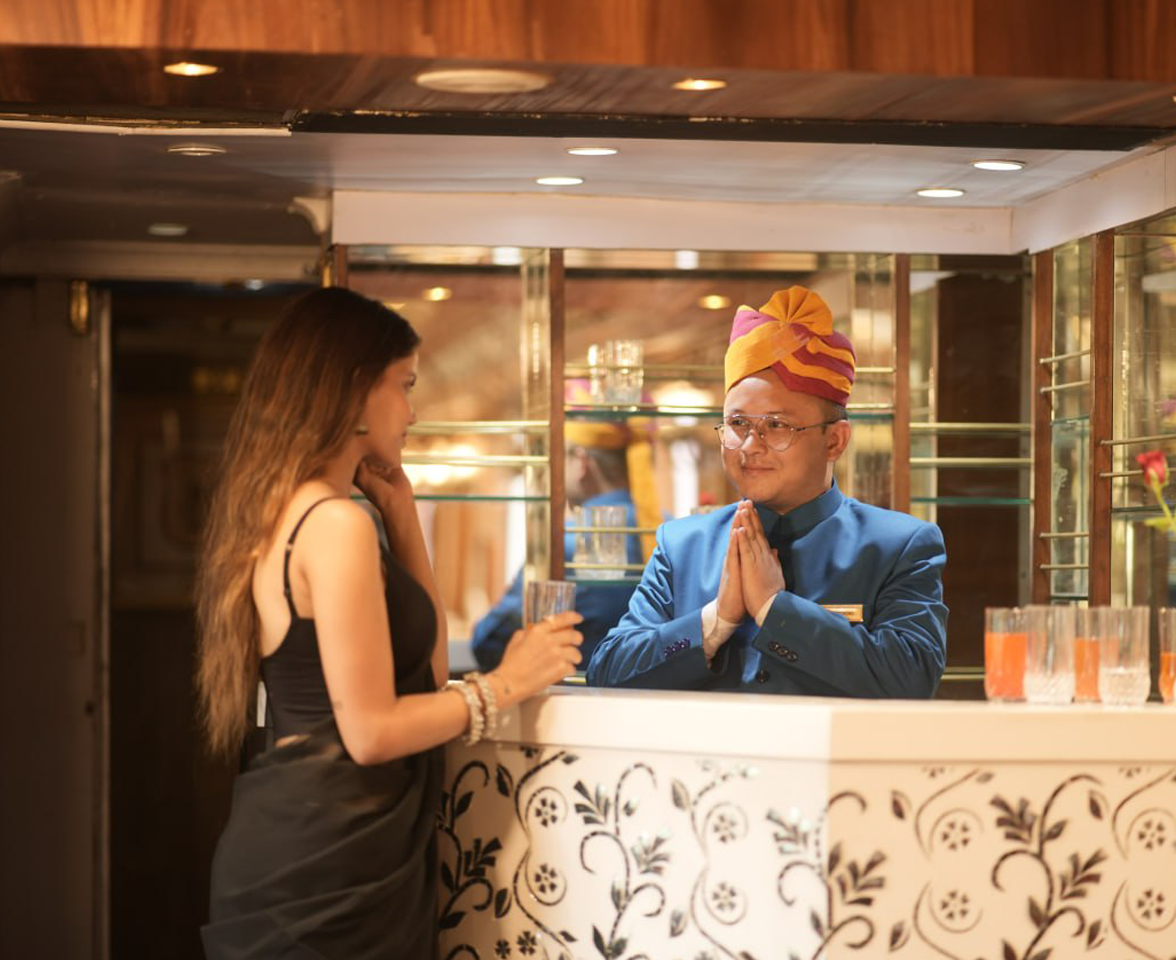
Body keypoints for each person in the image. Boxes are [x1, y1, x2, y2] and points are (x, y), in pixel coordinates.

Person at [196, 287, 583, 958]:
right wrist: (505, 685)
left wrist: (402, 515)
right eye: (403, 385)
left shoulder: (301, 511)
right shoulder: (333, 524)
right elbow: (372, 732)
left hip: (336, 842)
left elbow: (425, 676)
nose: (412, 409)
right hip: (325, 858)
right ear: (352, 389)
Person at [586, 285, 947, 697]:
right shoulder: (683, 544)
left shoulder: (897, 546)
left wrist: (776, 610)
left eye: (776, 426)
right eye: (738, 424)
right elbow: (608, 673)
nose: (750, 446)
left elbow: (912, 679)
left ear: (835, 441)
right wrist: (715, 621)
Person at [470, 383, 662, 671]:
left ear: (581, 462)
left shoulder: (570, 543)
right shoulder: (673, 531)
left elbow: (490, 641)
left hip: (575, 703)